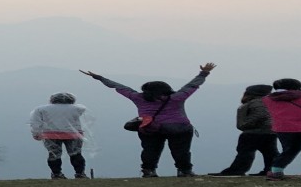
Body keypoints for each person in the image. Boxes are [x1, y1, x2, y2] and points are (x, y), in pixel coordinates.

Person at [79, 63, 216, 177]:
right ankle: (184, 170)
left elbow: (119, 86)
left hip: (150, 127)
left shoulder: (138, 97)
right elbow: (192, 86)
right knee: (181, 150)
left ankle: (149, 170)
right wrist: (204, 73)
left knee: (150, 150)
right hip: (178, 127)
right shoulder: (177, 98)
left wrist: (100, 78)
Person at [207, 85, 279, 177]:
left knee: (245, 152)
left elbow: (260, 115)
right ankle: (271, 170)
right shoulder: (270, 102)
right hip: (270, 132)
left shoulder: (255, 103)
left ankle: (236, 170)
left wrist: (245, 124)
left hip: (253, 133)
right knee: (270, 153)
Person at [30, 92, 90, 179]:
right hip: (73, 134)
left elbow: (35, 122)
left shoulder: (41, 109)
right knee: (76, 154)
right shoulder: (78, 108)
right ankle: (80, 173)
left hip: (51, 134)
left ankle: (56, 174)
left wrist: (36, 133)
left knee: (54, 155)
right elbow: (83, 110)